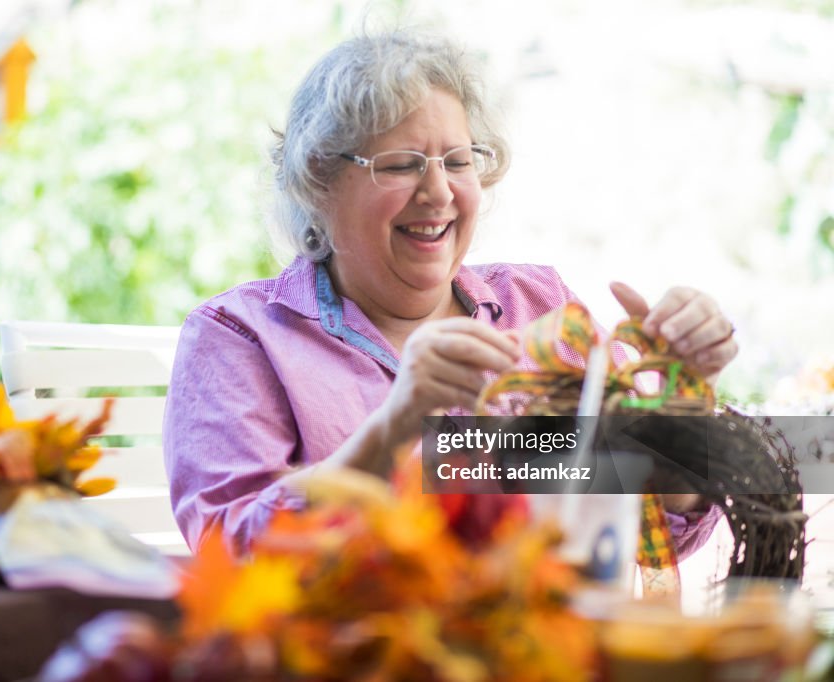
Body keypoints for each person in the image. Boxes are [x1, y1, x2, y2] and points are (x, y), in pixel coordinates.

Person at [163, 29, 736, 556]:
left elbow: (653, 528)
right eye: (402, 165)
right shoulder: (241, 336)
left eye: (457, 161)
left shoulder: (541, 306)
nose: (438, 192)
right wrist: (394, 429)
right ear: (319, 180)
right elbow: (232, 547)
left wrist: (682, 418)